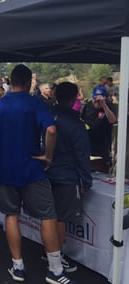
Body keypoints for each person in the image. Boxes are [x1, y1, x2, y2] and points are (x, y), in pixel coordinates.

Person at [0, 64, 85, 284]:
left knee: (11, 215)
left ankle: (18, 266)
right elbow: (51, 130)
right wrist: (47, 156)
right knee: (48, 214)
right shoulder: (35, 102)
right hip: (32, 168)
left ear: (11, 80)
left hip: (6, 170)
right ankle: (56, 270)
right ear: (29, 82)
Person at [47, 82, 93, 272]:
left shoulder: (48, 116)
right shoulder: (75, 124)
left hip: (47, 173)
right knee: (60, 218)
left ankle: (52, 253)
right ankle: (56, 258)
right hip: (66, 176)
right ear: (74, 98)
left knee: (51, 216)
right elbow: (82, 154)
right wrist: (86, 180)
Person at [81, 85, 117, 173]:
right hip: (89, 141)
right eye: (95, 100)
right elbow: (82, 119)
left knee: (103, 166)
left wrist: (104, 105)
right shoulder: (88, 105)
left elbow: (113, 120)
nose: (97, 103)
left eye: (99, 100)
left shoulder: (110, 106)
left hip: (103, 143)